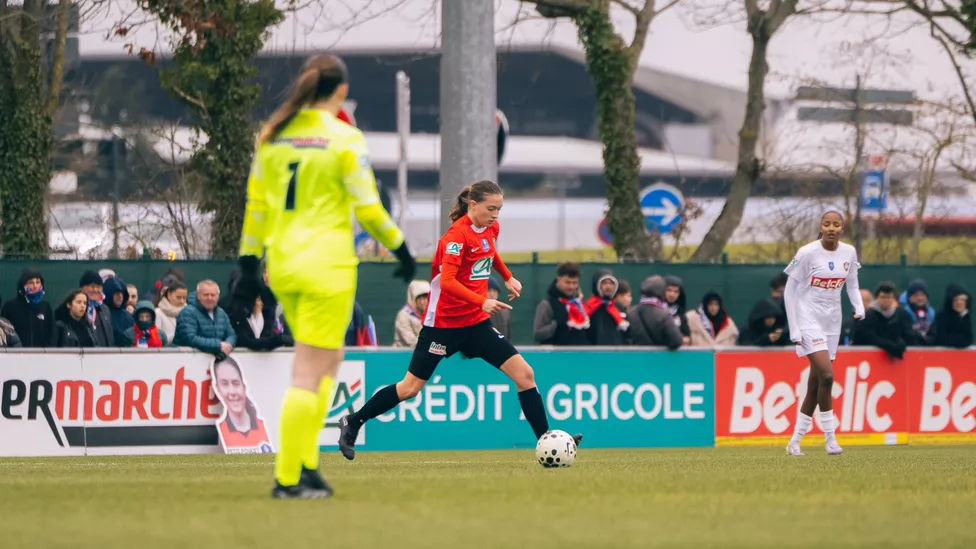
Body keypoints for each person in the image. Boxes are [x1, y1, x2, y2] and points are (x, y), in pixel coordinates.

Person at [236, 54, 415, 499]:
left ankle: (307, 467)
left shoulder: (274, 137)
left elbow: (257, 206)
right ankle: (288, 478)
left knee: (327, 364)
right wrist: (401, 247)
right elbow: (368, 206)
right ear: (339, 91)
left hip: (284, 266)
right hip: (327, 267)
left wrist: (247, 261)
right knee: (309, 371)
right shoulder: (343, 137)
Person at [336, 180, 582, 462]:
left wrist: (507, 276)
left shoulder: (490, 228)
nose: (495, 215)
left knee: (525, 375)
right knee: (409, 389)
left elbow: (489, 253)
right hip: (443, 328)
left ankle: (547, 442)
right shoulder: (455, 238)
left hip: (476, 325)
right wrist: (482, 301)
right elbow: (449, 282)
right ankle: (353, 422)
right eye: (491, 208)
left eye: (499, 209)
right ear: (472, 204)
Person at [784, 211, 864, 456]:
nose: (831, 228)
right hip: (808, 319)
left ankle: (795, 440)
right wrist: (794, 327)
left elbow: (851, 284)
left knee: (815, 383)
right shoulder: (807, 252)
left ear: (842, 228)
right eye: (826, 224)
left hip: (832, 322)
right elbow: (789, 291)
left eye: (836, 224)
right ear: (821, 226)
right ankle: (830, 437)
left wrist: (858, 306)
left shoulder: (849, 252)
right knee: (828, 377)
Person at [213, 357, 273, 453]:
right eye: (225, 384)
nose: (232, 392)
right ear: (217, 389)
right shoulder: (219, 430)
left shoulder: (266, 426)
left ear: (244, 386)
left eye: (236, 384)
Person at [1, 268, 55, 348]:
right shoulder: (10, 306)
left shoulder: (46, 306)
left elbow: (52, 333)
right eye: (31, 283)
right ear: (23, 285)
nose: (35, 286)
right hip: (15, 355)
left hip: (42, 356)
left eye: (38, 282)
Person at [927, 283, 972, 349]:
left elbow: (968, 339)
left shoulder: (965, 315)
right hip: (939, 354)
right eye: (956, 300)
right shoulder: (942, 316)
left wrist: (963, 317)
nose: (960, 303)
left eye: (963, 300)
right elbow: (942, 339)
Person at [393, 280, 430, 347]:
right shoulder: (403, 315)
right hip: (403, 355)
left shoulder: (430, 315)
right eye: (419, 298)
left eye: (426, 297)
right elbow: (411, 341)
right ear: (412, 298)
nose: (423, 302)